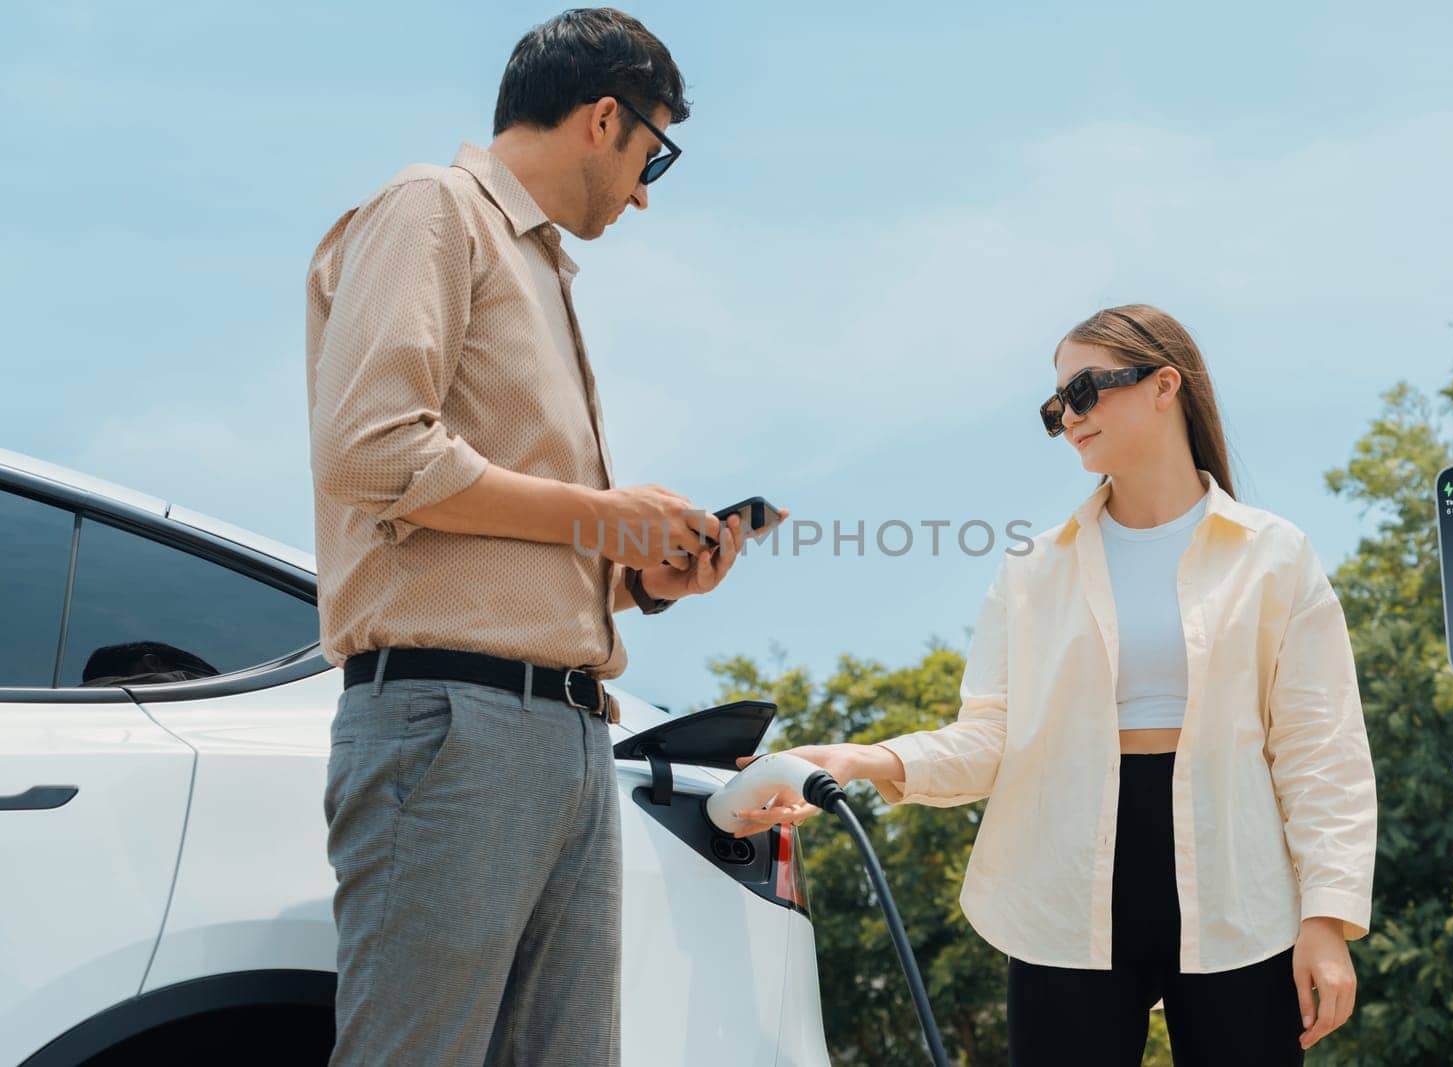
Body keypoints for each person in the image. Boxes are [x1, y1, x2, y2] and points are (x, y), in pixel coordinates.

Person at [305, 9, 784, 1064]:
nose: (647, 190)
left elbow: (477, 536)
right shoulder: (432, 209)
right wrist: (601, 514)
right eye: (651, 153)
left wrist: (639, 576)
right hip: (453, 728)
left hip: (564, 735)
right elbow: (373, 455)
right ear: (602, 118)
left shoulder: (544, 269)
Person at [731, 304, 1377, 1064]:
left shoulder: (1275, 555)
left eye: (1085, 391)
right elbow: (991, 735)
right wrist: (860, 759)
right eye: (1056, 405)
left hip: (1243, 884)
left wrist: (1326, 919)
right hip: (1062, 883)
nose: (1068, 417)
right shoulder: (1034, 568)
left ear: (1165, 384)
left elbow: (1319, 748)